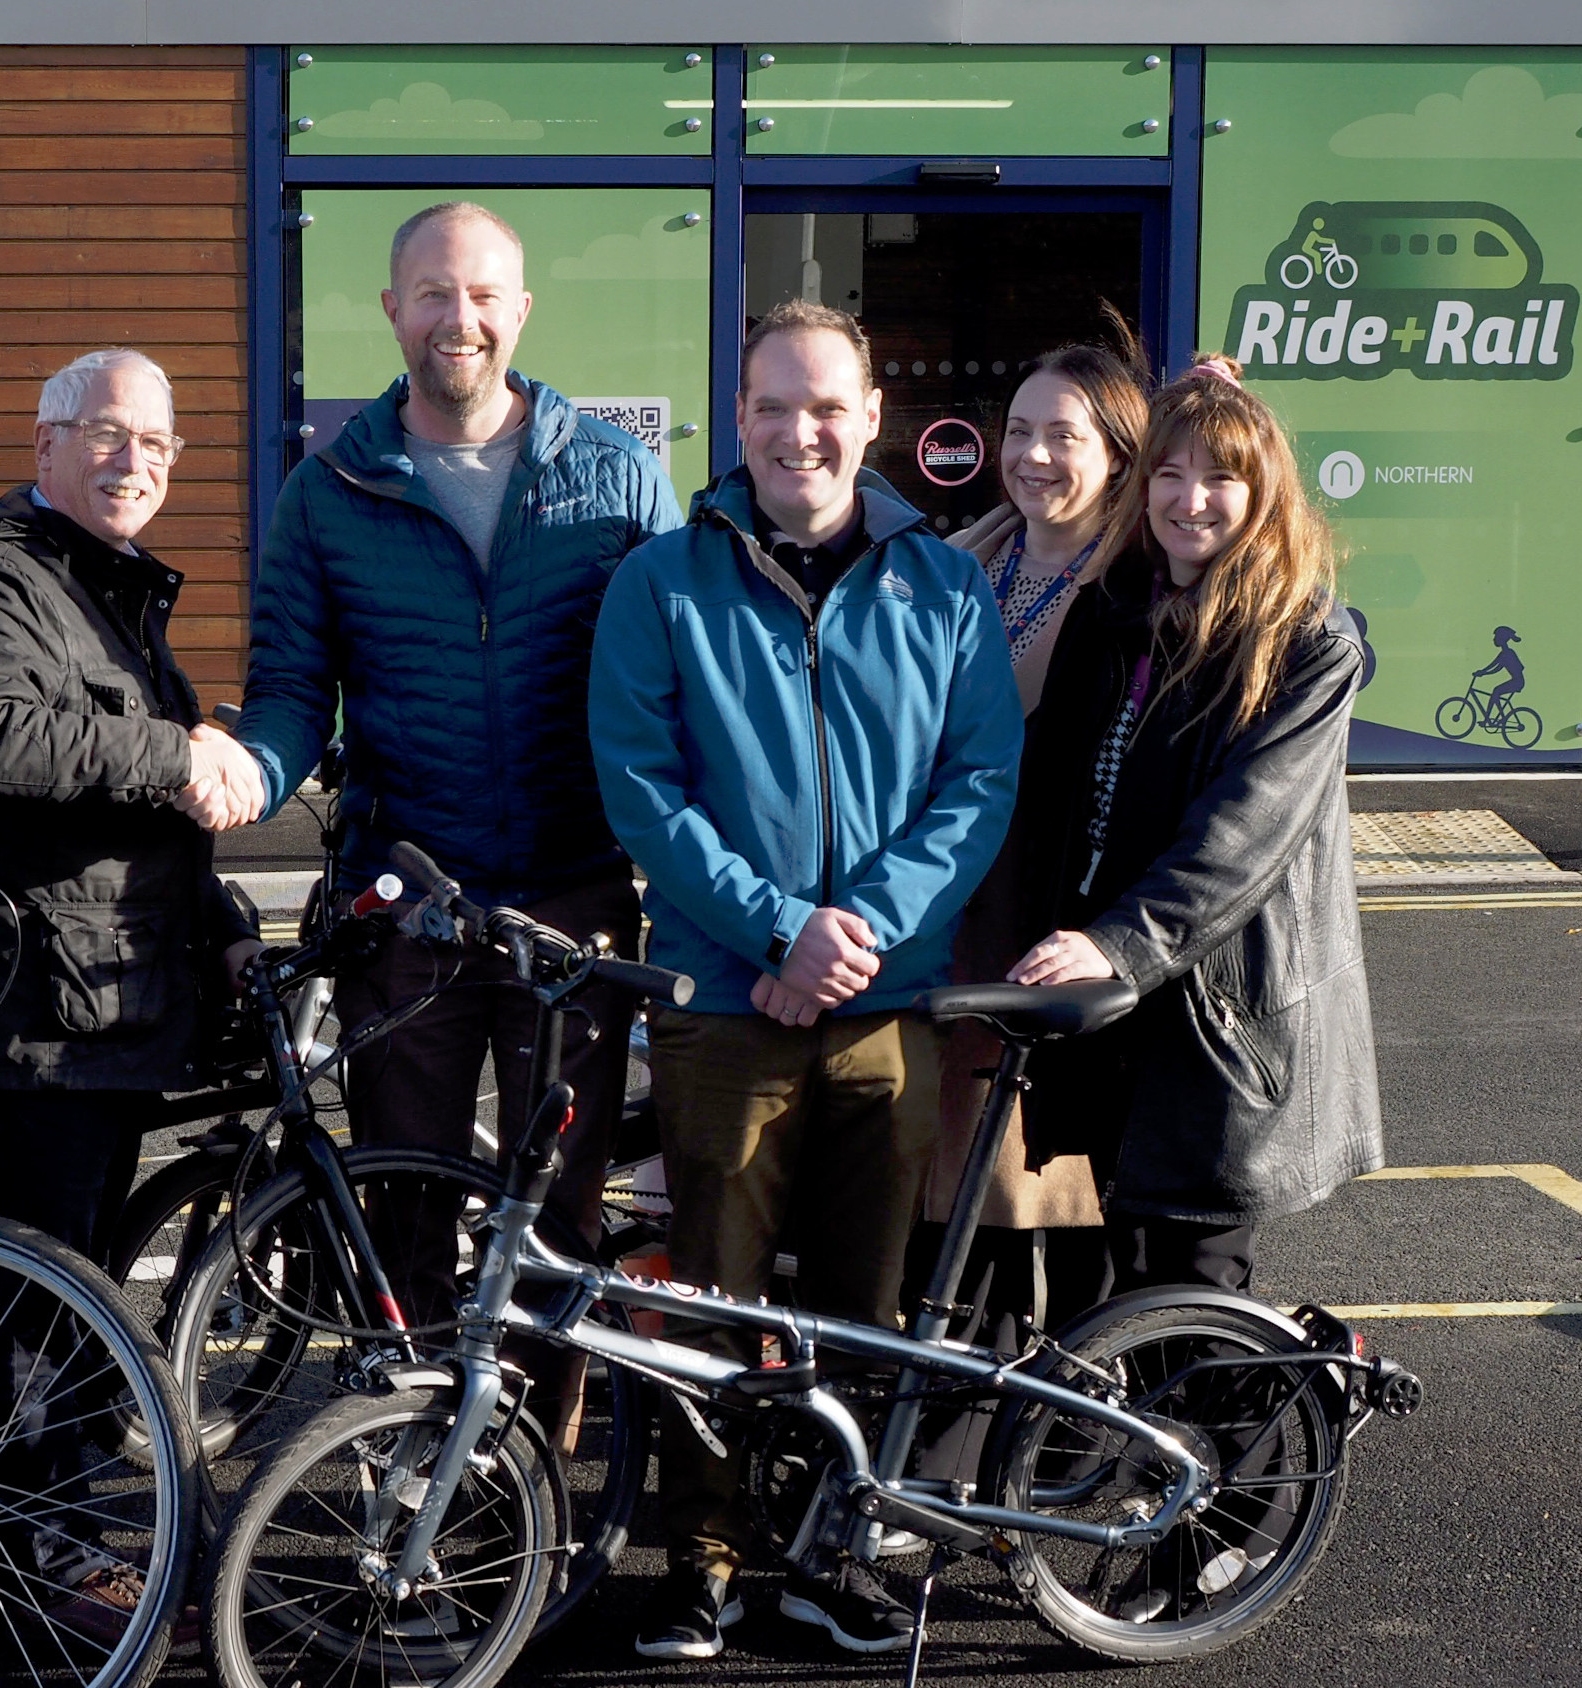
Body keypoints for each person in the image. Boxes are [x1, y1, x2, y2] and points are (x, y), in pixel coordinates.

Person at [589, 298, 1021, 1661]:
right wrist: (779, 934)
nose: (800, 432)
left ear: (871, 417)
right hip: (726, 1003)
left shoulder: (943, 584)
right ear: (739, 417)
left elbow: (979, 782)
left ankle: (830, 1556)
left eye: (827, 405)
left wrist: (857, 935)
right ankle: (705, 1564)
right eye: (772, 405)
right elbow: (643, 790)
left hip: (885, 1007)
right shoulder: (663, 581)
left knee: (862, 1310)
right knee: (710, 1305)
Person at [230, 202, 680, 1377]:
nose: (458, 317)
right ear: (392, 309)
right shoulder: (330, 489)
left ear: (520, 310)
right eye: (433, 292)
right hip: (408, 903)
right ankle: (415, 1453)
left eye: (481, 294)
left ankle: (535, 1462)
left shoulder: (618, 477)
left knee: (557, 1217)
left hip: (573, 900)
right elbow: (290, 689)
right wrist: (245, 769)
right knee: (407, 1205)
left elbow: (682, 685)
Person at [0, 347, 259, 1642]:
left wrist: (225, 930)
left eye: (157, 444)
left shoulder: (108, 590)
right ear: (45, 442)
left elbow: (147, 836)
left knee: (74, 1310)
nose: (134, 461)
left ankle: (47, 1549)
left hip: (99, 1015)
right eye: (108, 433)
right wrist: (175, 751)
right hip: (26, 1025)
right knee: (32, 1326)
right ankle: (28, 1575)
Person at [1003, 354, 1383, 1299]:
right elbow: (1052, 786)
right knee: (1108, 1288)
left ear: (1264, 493)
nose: (1191, 499)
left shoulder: (1306, 643)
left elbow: (1241, 837)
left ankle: (1254, 1405)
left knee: (1194, 1290)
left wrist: (1116, 946)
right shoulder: (1115, 609)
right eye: (1169, 473)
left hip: (1213, 1012)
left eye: (1221, 477)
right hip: (1111, 1002)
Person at [905, 335, 1152, 1404]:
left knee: (1035, 1189)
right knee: (946, 1181)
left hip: (1046, 915)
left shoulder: (1136, 584)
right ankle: (950, 1415)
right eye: (1018, 431)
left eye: (1064, 435)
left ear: (1119, 454)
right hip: (943, 907)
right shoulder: (967, 557)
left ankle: (1056, 1422)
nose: (1033, 456)